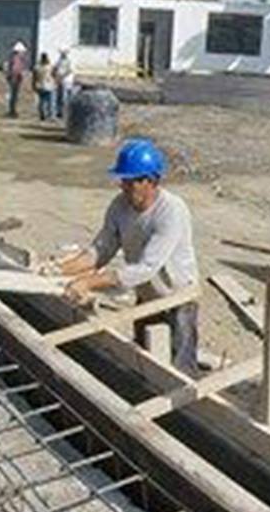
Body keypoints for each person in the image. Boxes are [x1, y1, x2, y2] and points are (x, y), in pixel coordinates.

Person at [44, 139, 200, 369]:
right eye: (123, 181)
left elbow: (147, 267)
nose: (124, 187)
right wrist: (60, 269)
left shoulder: (171, 211)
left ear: (152, 181)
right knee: (143, 362)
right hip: (147, 292)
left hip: (177, 295)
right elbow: (101, 249)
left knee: (179, 370)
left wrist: (88, 282)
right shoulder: (120, 206)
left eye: (131, 182)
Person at [5, 41, 29, 118]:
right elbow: (15, 69)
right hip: (15, 78)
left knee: (14, 96)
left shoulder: (15, 58)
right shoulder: (16, 59)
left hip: (15, 78)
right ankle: (13, 111)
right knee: (13, 95)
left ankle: (13, 110)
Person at [51, 48, 75, 118]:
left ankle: (65, 112)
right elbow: (54, 69)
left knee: (65, 98)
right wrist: (55, 76)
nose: (62, 54)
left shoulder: (69, 61)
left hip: (67, 81)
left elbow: (69, 70)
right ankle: (59, 112)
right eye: (62, 53)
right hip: (59, 81)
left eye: (64, 53)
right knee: (59, 97)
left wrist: (62, 76)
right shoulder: (58, 61)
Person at [33, 46, 55, 121]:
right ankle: (50, 115)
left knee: (41, 101)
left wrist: (34, 85)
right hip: (48, 85)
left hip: (40, 85)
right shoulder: (50, 67)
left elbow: (34, 77)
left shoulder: (37, 67)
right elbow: (53, 75)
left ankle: (42, 114)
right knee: (50, 101)